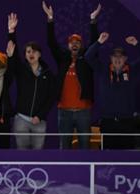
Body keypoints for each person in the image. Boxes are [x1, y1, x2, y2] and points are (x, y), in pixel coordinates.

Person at [43, 1, 101, 149]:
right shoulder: (62, 59)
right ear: (68, 45)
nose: (74, 44)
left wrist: (93, 21)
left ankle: (86, 173)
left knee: (84, 147)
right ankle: (65, 173)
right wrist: (50, 20)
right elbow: (51, 43)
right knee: (64, 147)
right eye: (71, 42)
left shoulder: (87, 59)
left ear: (81, 45)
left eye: (77, 42)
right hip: (64, 111)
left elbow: (95, 44)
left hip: (83, 111)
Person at [86, 32, 140, 149]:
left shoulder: (132, 70)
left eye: (120, 56)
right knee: (107, 157)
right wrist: (99, 42)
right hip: (107, 121)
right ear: (110, 58)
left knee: (126, 156)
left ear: (125, 58)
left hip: (127, 121)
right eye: (115, 56)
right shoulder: (103, 70)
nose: (117, 59)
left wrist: (136, 44)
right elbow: (88, 56)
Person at [7, 13, 58, 150]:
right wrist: (11, 32)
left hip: (39, 122)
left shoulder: (48, 74)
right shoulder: (21, 70)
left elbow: (51, 97)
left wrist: (40, 116)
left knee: (37, 157)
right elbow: (14, 53)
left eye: (34, 51)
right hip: (21, 119)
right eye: (28, 52)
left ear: (39, 54)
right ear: (25, 55)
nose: (31, 54)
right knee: (22, 156)